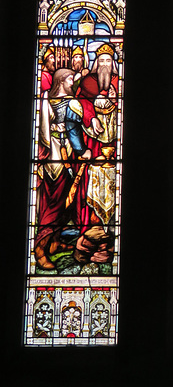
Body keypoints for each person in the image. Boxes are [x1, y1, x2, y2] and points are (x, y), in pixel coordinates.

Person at [36, 68, 91, 270]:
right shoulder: (57, 102)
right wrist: (82, 150)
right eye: (69, 79)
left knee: (66, 202)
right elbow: (72, 129)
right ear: (60, 82)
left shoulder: (68, 101)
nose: (72, 82)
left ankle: (54, 242)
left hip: (65, 157)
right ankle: (40, 250)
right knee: (54, 203)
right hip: (55, 157)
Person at [74, 43, 119, 234]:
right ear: (96, 62)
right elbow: (79, 101)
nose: (105, 65)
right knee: (88, 179)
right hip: (93, 139)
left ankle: (111, 228)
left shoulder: (119, 81)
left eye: (108, 61)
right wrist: (91, 118)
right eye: (101, 61)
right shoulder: (88, 82)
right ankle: (88, 226)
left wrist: (116, 98)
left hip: (116, 140)